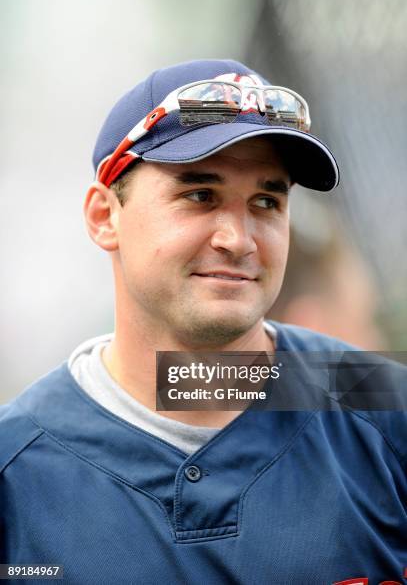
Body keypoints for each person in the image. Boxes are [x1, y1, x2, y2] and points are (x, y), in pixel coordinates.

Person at [1, 59, 406, 585]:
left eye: (266, 201)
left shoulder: (386, 403)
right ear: (105, 217)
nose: (238, 240)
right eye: (199, 195)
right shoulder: (15, 466)